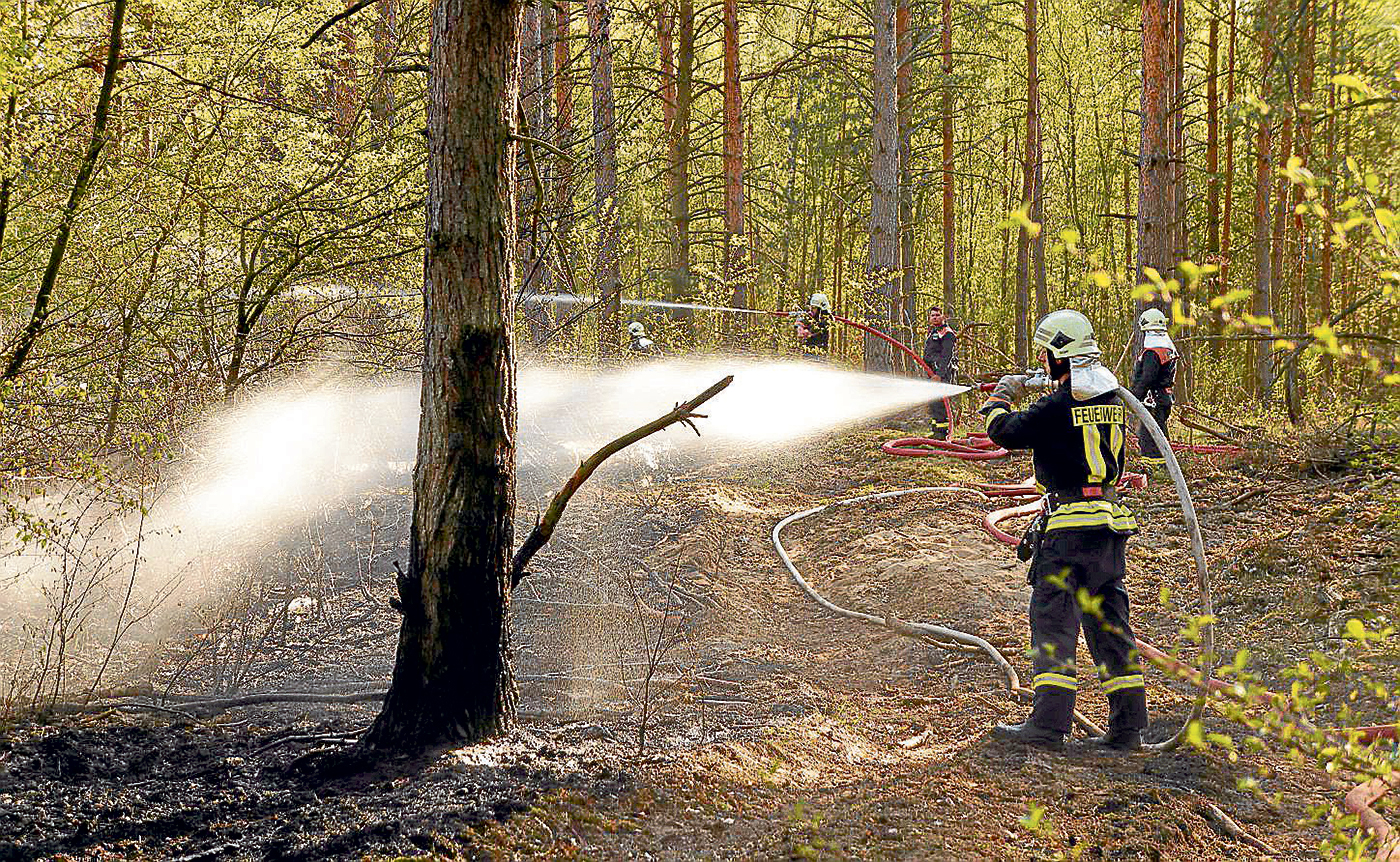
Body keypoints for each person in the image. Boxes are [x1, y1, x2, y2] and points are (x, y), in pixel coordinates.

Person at [978, 309, 1148, 751]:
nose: (1040, 359)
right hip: (1107, 529)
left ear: (1060, 354)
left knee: (1053, 622)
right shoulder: (1112, 400)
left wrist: (1000, 396)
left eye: (1044, 352)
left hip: (1068, 529)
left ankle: (1048, 726)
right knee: (1109, 625)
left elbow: (1005, 432)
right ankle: (1127, 729)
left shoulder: (1058, 404)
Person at [1129, 307, 1177, 470]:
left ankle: (1153, 469)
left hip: (1154, 401)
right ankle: (1165, 466)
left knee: (1149, 437)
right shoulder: (1167, 348)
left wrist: (1133, 397)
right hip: (1164, 398)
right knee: (1160, 433)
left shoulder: (1153, 352)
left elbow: (1147, 378)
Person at [922, 305, 957, 439]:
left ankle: (943, 434)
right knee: (933, 402)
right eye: (932, 315)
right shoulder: (933, 332)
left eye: (937, 315)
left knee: (940, 403)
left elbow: (946, 356)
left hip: (942, 374)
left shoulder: (947, 334)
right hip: (932, 372)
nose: (935, 318)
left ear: (943, 317)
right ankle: (936, 431)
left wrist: (939, 375)